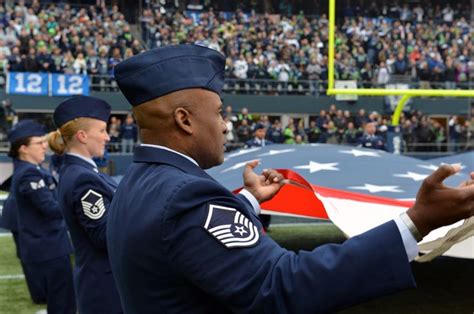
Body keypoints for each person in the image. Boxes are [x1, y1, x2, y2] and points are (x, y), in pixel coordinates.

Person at [107, 44, 474, 314]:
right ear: (185, 120)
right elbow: (282, 285)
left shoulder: (136, 184)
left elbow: (191, 250)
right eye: (219, 112)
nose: (224, 125)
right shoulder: (187, 194)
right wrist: (417, 222)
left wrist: (248, 201)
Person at [48, 96, 123, 314]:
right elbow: (104, 234)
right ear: (82, 136)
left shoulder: (83, 172)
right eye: (101, 130)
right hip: (105, 286)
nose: (107, 137)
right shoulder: (83, 178)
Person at [8, 120, 76, 314]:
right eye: (38, 143)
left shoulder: (33, 169)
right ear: (23, 149)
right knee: (62, 303)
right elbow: (51, 208)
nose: (45, 146)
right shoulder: (29, 174)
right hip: (49, 248)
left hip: (49, 246)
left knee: (62, 299)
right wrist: (76, 204)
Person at [0, 190, 47, 305]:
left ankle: (40, 293)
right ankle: (39, 294)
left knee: (29, 254)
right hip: (20, 215)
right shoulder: (28, 172)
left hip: (19, 213)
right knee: (28, 255)